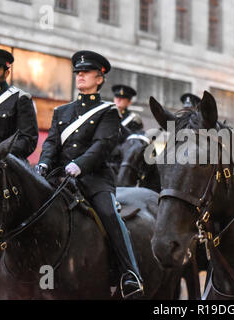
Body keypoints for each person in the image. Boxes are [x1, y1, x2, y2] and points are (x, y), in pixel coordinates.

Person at [36, 51, 143, 299]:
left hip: (93, 178)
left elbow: (102, 145)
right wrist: (42, 164)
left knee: (109, 214)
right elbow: (51, 144)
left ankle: (130, 273)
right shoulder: (62, 111)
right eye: (78, 73)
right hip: (59, 177)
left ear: (99, 78)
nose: (80, 76)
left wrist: (80, 164)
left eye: (86, 73)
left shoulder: (107, 111)